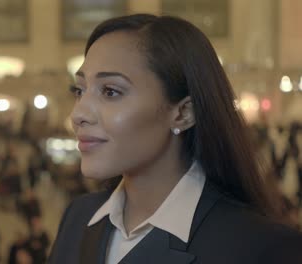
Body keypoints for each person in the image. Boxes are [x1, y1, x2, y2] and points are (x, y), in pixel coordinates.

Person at [49, 14, 302, 264]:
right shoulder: (79, 217)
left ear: (183, 113)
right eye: (79, 91)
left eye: (111, 91)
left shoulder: (261, 247)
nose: (78, 114)